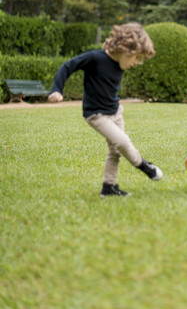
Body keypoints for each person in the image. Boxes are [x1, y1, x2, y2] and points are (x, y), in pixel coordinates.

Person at [48, 22, 163, 196]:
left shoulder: (121, 63)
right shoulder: (95, 58)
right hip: (97, 115)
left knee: (115, 151)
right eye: (136, 58)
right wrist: (56, 89)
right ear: (126, 48)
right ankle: (144, 166)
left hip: (116, 112)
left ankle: (109, 187)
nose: (136, 63)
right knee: (122, 142)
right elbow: (68, 66)